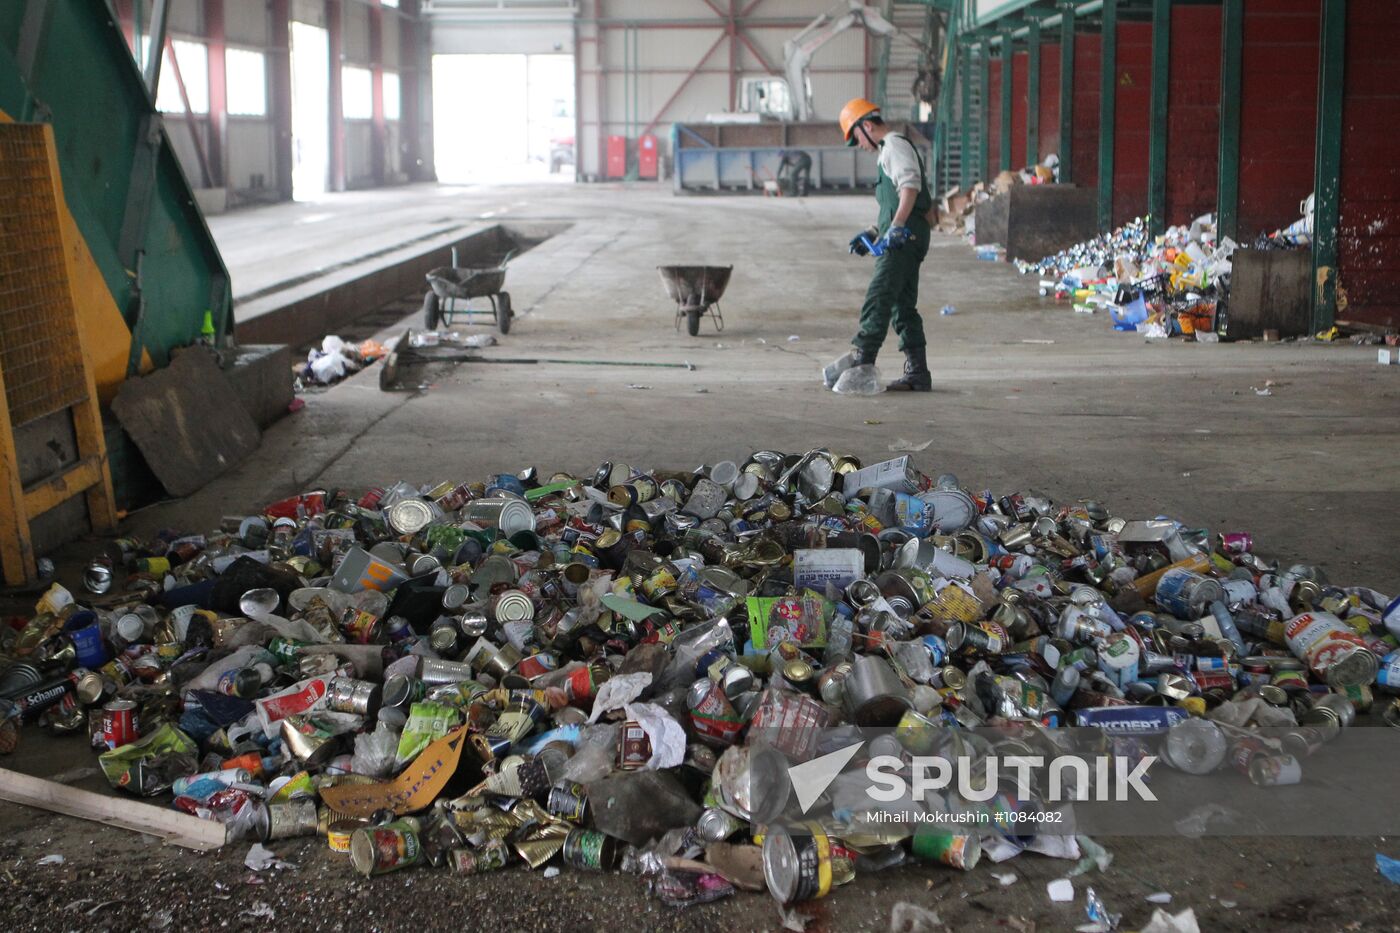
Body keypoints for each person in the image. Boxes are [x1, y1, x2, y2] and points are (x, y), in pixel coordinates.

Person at [838, 98, 935, 392]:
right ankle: (918, 372)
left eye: (857, 138)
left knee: (879, 296)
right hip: (907, 233)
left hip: (905, 237)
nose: (860, 145)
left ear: (867, 126)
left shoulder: (894, 145)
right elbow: (895, 204)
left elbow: (909, 187)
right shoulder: (888, 151)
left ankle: (863, 364)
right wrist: (874, 232)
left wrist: (896, 228)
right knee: (902, 305)